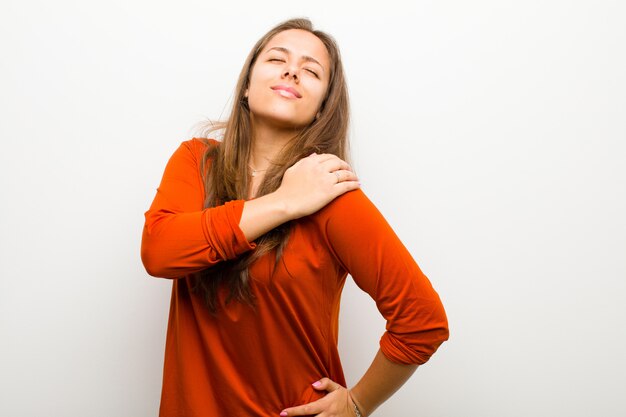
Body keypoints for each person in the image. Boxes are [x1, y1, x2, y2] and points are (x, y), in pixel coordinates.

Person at [141, 17, 449, 417]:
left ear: (322, 106)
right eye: (277, 59)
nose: (292, 71)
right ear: (247, 87)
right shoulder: (197, 162)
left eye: (312, 71)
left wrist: (357, 403)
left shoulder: (334, 196)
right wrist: (286, 202)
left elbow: (423, 320)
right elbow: (160, 252)